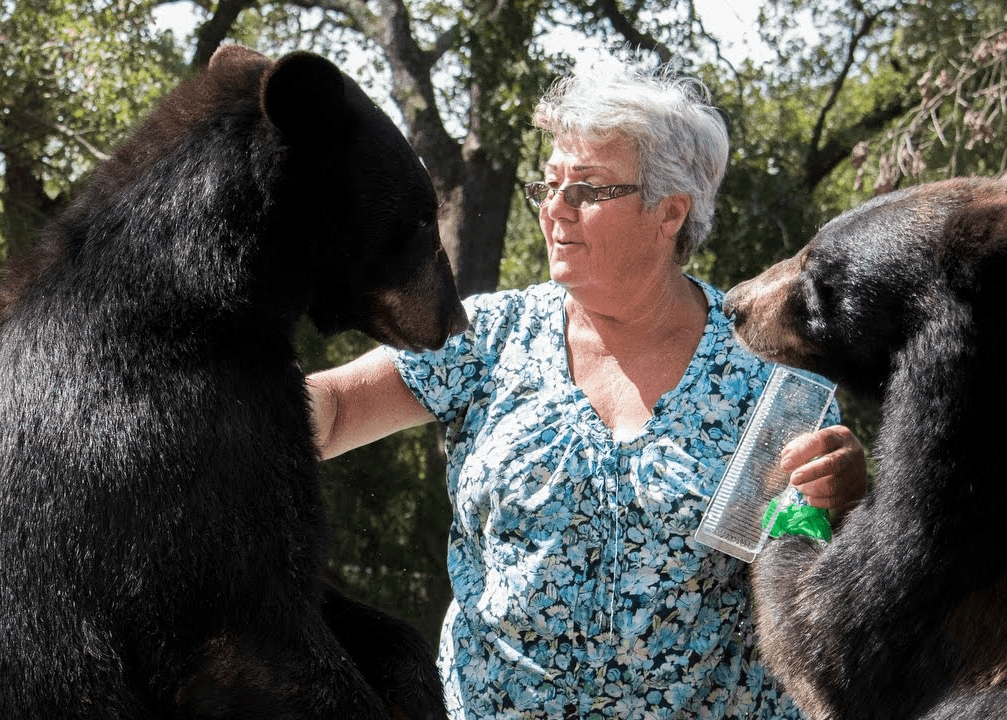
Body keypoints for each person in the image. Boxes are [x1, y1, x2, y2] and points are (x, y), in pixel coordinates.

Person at [308, 59, 868, 719]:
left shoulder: (769, 374)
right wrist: (213, 387)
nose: (556, 209)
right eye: (547, 186)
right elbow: (336, 409)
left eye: (588, 189)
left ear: (670, 213)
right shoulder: (488, 338)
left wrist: (845, 504)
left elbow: (807, 572)